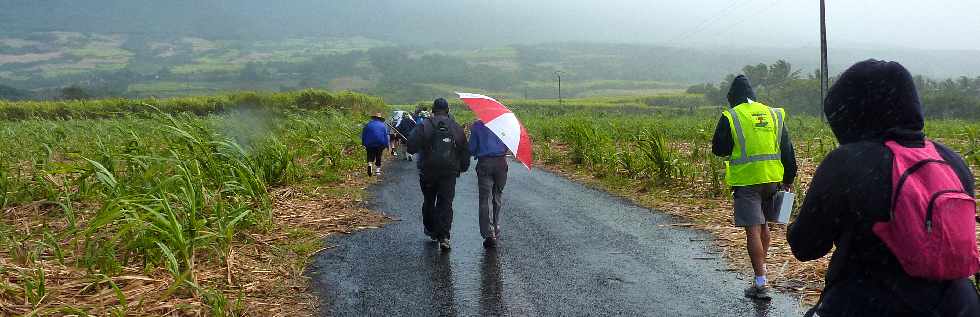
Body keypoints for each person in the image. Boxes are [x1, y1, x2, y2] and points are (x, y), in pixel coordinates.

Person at [788, 59, 980, 317]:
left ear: (852, 112)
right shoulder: (951, 160)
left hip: (869, 303)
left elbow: (806, 246)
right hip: (960, 305)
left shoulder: (848, 161)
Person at [711, 75, 797, 300]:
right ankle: (762, 274)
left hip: (747, 181)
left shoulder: (732, 115)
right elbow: (787, 147)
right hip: (772, 179)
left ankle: (761, 283)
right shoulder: (773, 113)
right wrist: (789, 178)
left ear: (732, 97)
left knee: (753, 230)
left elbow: (719, 149)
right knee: (764, 226)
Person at [408, 98, 470, 250]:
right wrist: (462, 167)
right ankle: (444, 237)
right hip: (449, 173)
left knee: (429, 201)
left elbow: (411, 147)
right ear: (448, 110)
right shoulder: (455, 127)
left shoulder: (425, 125)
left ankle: (430, 229)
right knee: (446, 203)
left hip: (428, 171)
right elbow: (464, 150)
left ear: (433, 109)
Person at [468, 119, 509, 248]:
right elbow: (508, 146)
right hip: (501, 163)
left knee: (485, 200)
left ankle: (489, 232)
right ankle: (496, 228)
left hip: (485, 163)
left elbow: (472, 149)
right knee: (497, 197)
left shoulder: (478, 126)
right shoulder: (504, 125)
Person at [361, 112, 389, 176]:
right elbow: (385, 136)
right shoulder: (383, 126)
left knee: (370, 155)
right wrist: (387, 145)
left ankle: (370, 164)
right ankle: (377, 170)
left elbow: (364, 135)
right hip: (380, 143)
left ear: (373, 118)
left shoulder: (368, 125)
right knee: (378, 156)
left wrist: (363, 143)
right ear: (380, 119)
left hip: (369, 143)